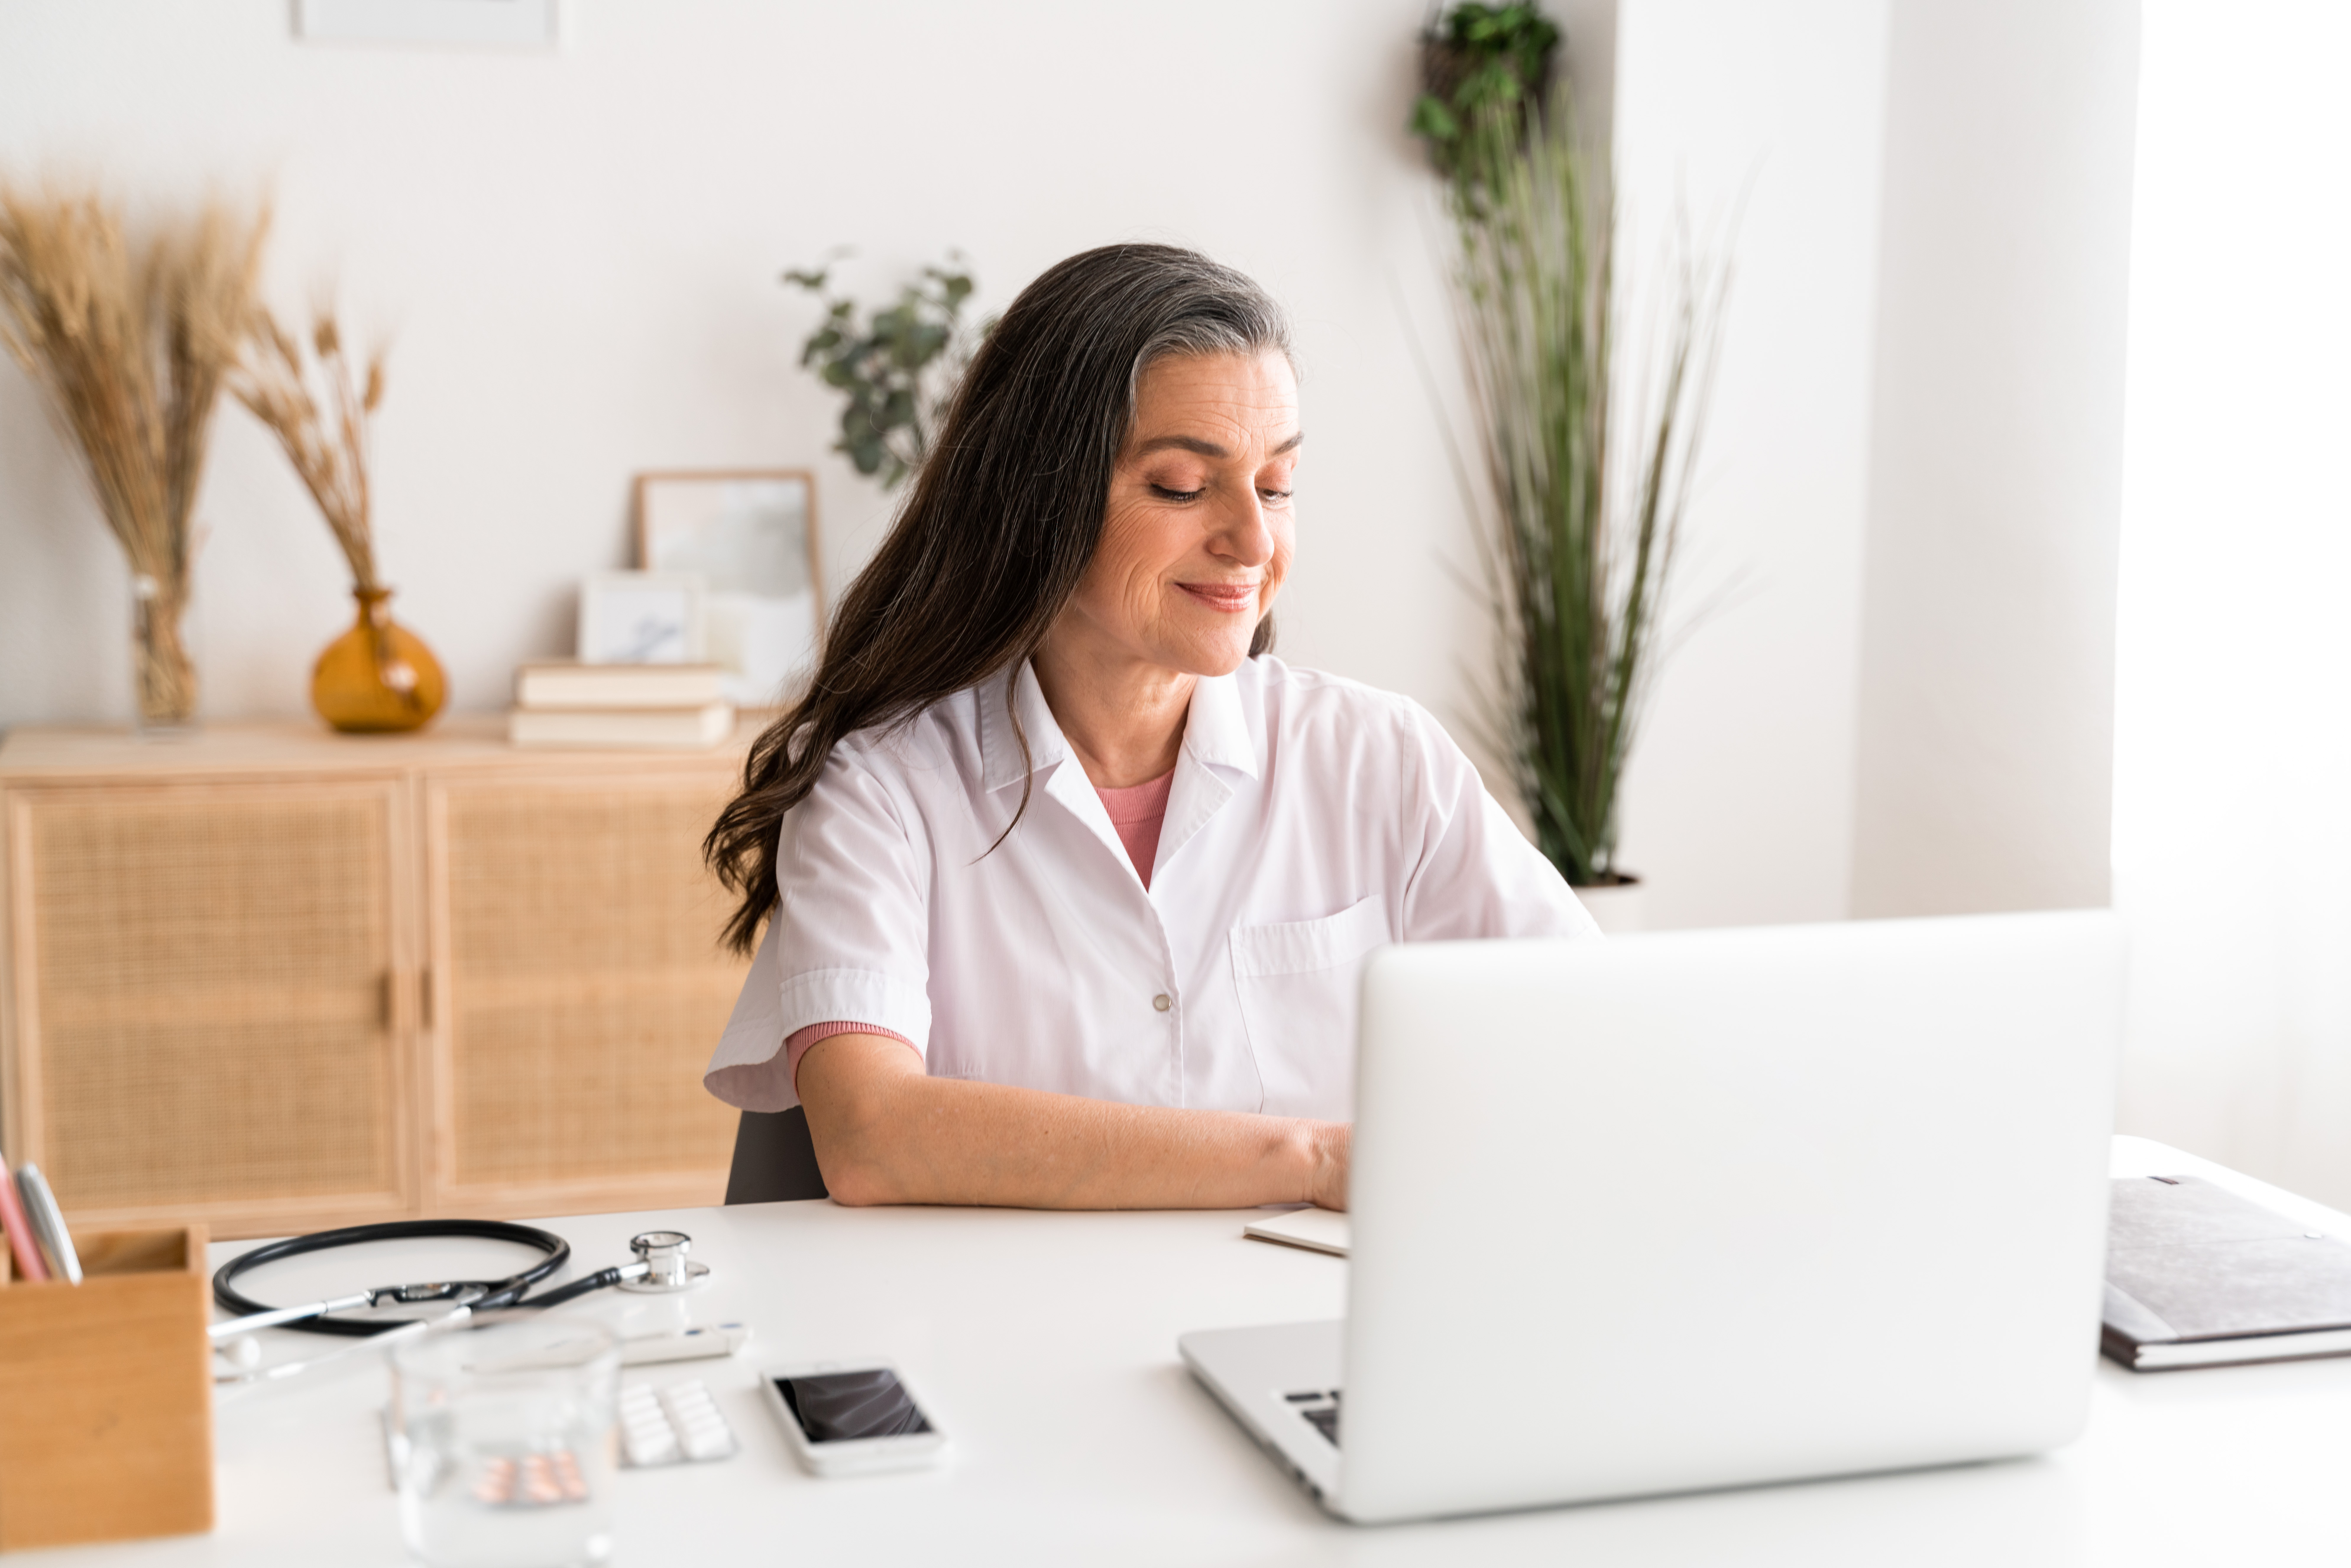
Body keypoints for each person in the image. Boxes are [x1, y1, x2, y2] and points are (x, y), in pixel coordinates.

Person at [702, 243, 1597, 1211]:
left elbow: (1594, 1035)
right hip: (994, 1334)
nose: (1253, 542)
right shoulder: (882, 784)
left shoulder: (1378, 758)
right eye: (1181, 485)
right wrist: (1313, 1160)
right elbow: (873, 1136)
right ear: (1040, 496)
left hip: (1296, 1333)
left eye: (1278, 484)